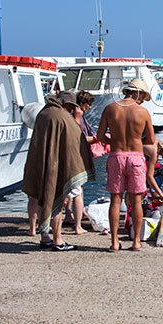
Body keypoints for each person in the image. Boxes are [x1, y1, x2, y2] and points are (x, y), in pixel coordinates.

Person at [22, 91, 95, 251]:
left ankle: (44, 237)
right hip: (55, 164)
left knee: (42, 199)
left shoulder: (44, 113)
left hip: (41, 161)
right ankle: (58, 240)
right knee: (55, 200)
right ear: (68, 105)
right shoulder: (61, 116)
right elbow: (75, 138)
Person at [97, 78, 155, 252]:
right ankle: (136, 242)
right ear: (138, 93)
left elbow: (100, 136)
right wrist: (136, 139)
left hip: (116, 156)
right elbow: (151, 140)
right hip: (136, 157)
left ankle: (114, 242)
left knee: (115, 200)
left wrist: (114, 140)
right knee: (136, 201)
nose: (143, 100)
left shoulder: (110, 109)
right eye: (143, 96)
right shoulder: (143, 112)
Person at [63, 91, 97, 235]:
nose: (89, 108)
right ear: (82, 104)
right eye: (88, 105)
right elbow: (79, 137)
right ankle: (78, 226)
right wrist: (97, 139)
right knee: (78, 190)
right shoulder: (75, 117)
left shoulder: (67, 115)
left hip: (67, 157)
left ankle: (69, 215)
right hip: (74, 157)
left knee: (68, 189)